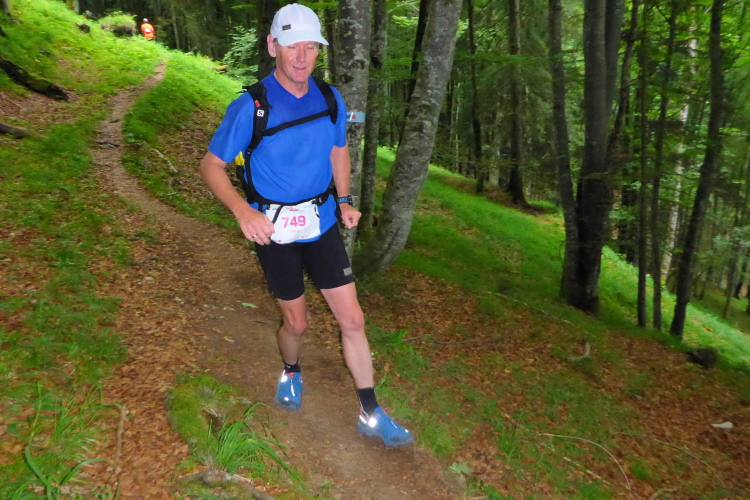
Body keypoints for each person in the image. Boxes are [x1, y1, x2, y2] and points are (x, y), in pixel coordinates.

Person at [199, 3, 412, 447]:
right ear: (273, 46)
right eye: (292, 45)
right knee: (296, 324)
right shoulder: (251, 106)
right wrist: (243, 211)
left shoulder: (330, 98)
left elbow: (338, 150)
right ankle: (291, 369)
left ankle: (370, 412)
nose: (301, 56)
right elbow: (211, 165)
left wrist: (345, 199)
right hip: (273, 229)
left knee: (353, 319)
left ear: (319, 50)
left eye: (311, 47)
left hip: (321, 221)